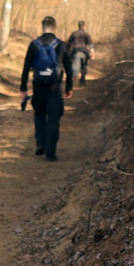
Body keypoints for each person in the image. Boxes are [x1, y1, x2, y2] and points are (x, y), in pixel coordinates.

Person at [21, 16, 73, 161]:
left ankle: (40, 145)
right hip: (55, 88)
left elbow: (26, 67)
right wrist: (69, 87)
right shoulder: (62, 45)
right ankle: (50, 152)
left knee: (39, 115)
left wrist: (23, 88)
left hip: (38, 87)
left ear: (42, 27)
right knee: (54, 119)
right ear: (54, 28)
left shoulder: (34, 44)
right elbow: (69, 69)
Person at [68, 20, 93, 87]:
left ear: (78, 26)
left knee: (74, 65)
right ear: (84, 26)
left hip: (76, 51)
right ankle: (82, 81)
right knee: (84, 67)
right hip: (84, 52)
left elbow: (69, 43)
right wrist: (92, 53)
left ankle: (74, 78)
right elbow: (90, 45)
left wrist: (69, 50)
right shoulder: (86, 34)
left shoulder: (74, 34)